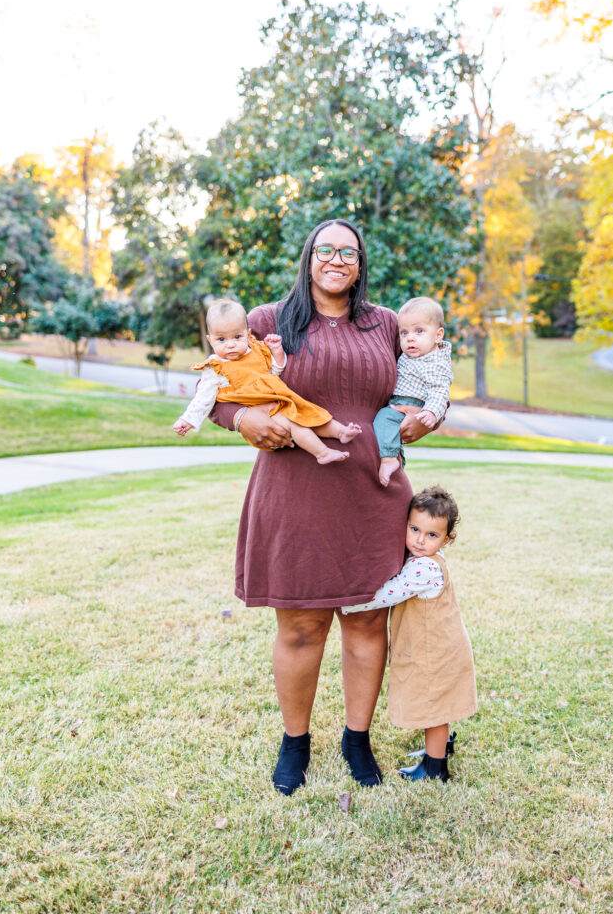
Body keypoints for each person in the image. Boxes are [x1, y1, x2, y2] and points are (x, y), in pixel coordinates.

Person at [207, 219, 439, 796]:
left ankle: (356, 739)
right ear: (309, 255)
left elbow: (429, 376)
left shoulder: (386, 324)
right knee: (302, 623)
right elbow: (217, 388)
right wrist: (242, 418)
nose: (337, 259)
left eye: (349, 252)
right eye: (326, 249)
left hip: (374, 492)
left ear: (361, 263)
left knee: (366, 619)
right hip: (294, 491)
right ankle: (296, 742)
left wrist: (428, 417)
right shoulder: (265, 322)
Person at [343, 486, 477, 782]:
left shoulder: (426, 568)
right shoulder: (425, 558)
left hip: (434, 652)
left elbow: (388, 594)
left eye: (431, 535)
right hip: (436, 646)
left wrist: (351, 604)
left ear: (447, 539)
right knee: (436, 702)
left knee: (434, 706)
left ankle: (434, 767)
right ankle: (439, 747)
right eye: (414, 529)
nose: (419, 540)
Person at [172, 298, 361, 465]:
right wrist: (188, 420)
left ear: (247, 333)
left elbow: (276, 371)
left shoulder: (256, 350)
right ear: (210, 339)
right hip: (263, 410)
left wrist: (277, 351)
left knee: (308, 412)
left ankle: (341, 432)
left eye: (237, 337)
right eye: (221, 339)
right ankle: (322, 452)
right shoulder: (215, 367)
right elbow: (203, 397)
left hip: (279, 398)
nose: (230, 344)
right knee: (296, 424)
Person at [374, 297, 453, 487]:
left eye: (419, 331)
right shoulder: (411, 355)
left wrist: (431, 412)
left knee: (384, 419)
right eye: (404, 332)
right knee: (388, 428)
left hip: (412, 405)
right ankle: (396, 456)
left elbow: (440, 390)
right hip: (400, 402)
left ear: (438, 335)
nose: (410, 337)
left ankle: (388, 460)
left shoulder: (435, 362)